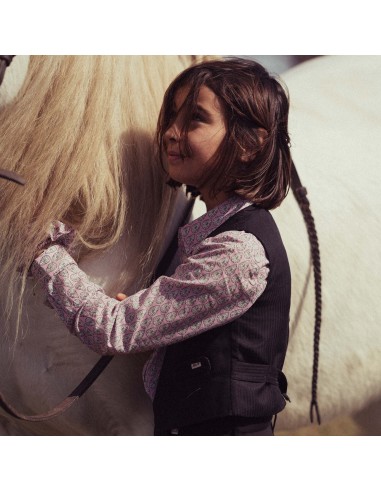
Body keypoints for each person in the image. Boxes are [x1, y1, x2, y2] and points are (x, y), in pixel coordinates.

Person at [31, 57, 292, 436]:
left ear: (251, 143)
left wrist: (45, 251)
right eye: (172, 117)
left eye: (195, 119)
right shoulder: (221, 234)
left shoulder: (238, 252)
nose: (171, 132)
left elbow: (113, 330)